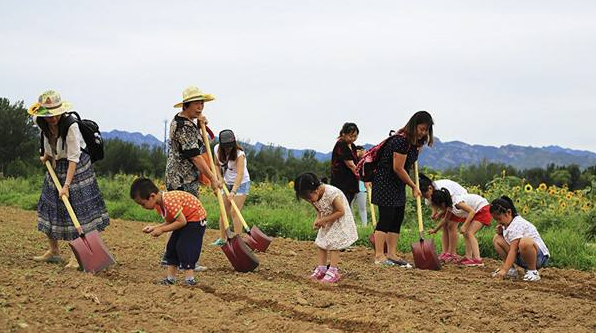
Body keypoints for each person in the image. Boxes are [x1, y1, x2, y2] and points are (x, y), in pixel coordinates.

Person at [29, 90, 110, 269]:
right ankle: (54, 251)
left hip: (78, 167)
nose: (53, 118)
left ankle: (77, 256)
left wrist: (66, 186)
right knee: (49, 204)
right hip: (56, 164)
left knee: (77, 209)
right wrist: (48, 154)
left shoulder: (71, 126)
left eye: (56, 113)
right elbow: (48, 139)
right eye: (49, 115)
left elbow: (74, 157)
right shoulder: (40, 121)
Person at [165, 86, 222, 270]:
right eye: (197, 103)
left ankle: (171, 256)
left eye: (202, 103)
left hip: (181, 176)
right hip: (181, 178)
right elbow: (196, 157)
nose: (200, 107)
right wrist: (213, 177)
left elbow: (201, 145)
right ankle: (185, 260)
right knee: (189, 219)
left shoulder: (186, 122)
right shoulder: (184, 126)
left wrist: (200, 125)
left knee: (178, 217)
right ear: (187, 105)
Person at [371, 111, 434, 267]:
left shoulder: (415, 144)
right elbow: (398, 168)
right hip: (385, 181)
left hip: (397, 184)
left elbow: (407, 165)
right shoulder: (401, 141)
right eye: (422, 129)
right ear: (414, 125)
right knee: (386, 217)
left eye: (426, 130)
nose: (423, 133)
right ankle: (379, 255)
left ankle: (392, 253)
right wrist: (413, 186)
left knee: (397, 217)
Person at [130, 178, 208, 286]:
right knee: (171, 246)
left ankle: (189, 279)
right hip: (185, 220)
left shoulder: (169, 202)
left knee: (185, 247)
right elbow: (171, 221)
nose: (142, 207)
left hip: (195, 219)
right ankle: (171, 279)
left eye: (143, 204)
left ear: (152, 196)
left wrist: (161, 230)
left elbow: (181, 221)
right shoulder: (159, 205)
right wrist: (155, 227)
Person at [294, 172, 358, 284]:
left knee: (334, 243)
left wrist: (324, 219)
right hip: (327, 219)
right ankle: (322, 269)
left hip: (339, 220)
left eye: (309, 198)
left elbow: (341, 211)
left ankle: (333, 271)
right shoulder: (312, 197)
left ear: (316, 190)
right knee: (321, 243)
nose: (310, 201)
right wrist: (318, 219)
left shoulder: (331, 193)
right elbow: (318, 209)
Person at [490, 196, 550, 282]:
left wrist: (504, 270)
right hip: (522, 257)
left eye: (499, 219)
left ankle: (532, 271)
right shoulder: (507, 224)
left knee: (525, 242)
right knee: (497, 239)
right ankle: (511, 270)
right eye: (496, 220)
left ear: (509, 212)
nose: (498, 222)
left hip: (538, 258)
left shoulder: (517, 224)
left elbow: (513, 250)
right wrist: (502, 232)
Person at [211, 129, 251, 245]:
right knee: (224, 211)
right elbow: (216, 165)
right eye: (226, 147)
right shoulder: (216, 149)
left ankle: (238, 242)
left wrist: (233, 191)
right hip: (226, 183)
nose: (228, 149)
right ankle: (223, 239)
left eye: (230, 146)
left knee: (235, 212)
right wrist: (220, 178)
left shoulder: (239, 155)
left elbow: (240, 174)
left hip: (241, 184)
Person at [431, 190, 491, 267]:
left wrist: (465, 225)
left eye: (438, 207)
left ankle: (477, 259)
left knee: (469, 233)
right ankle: (468, 257)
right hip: (477, 210)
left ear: (442, 203)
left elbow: (471, 212)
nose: (439, 209)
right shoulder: (450, 206)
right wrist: (435, 230)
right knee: (466, 234)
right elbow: (445, 220)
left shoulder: (457, 203)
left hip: (482, 209)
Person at [419, 173, 468, 262]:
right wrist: (434, 213)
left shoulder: (442, 189)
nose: (425, 197)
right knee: (445, 226)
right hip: (449, 204)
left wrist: (441, 213)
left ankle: (453, 254)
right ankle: (445, 252)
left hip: (458, 200)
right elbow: (433, 204)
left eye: (425, 195)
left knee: (451, 225)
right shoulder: (428, 193)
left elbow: (449, 204)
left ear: (430, 188)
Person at [330, 122, 360, 204]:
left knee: (348, 206)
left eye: (355, 136)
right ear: (343, 134)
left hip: (351, 183)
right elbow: (351, 165)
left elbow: (356, 163)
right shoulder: (341, 144)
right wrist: (362, 177)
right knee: (343, 207)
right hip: (342, 183)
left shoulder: (352, 146)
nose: (353, 138)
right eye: (351, 136)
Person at [352, 146, 368, 226]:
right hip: (352, 185)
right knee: (349, 205)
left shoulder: (365, 161)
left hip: (362, 185)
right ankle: (352, 224)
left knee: (362, 207)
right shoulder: (353, 159)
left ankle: (364, 225)